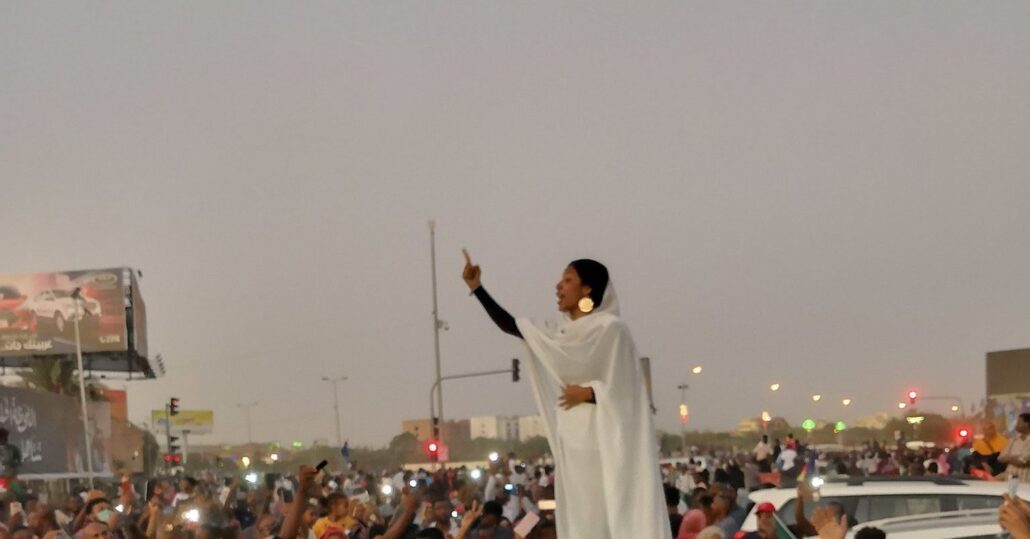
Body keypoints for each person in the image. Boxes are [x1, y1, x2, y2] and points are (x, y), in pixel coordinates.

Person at [463, 252, 670, 538]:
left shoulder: (612, 330)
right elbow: (515, 327)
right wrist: (477, 289)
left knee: (611, 515)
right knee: (582, 521)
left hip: (607, 446)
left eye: (568, 280)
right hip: (574, 445)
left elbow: (630, 392)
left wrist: (589, 392)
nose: (558, 286)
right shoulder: (559, 334)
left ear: (587, 289)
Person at [1000, 413, 1030, 483]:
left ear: (1027, 424)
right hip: (1008, 480)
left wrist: (1009, 458)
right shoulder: (1013, 439)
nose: (1016, 424)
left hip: (1026, 482)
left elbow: (1023, 462)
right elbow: (1001, 457)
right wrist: (1015, 457)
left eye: (1019, 422)